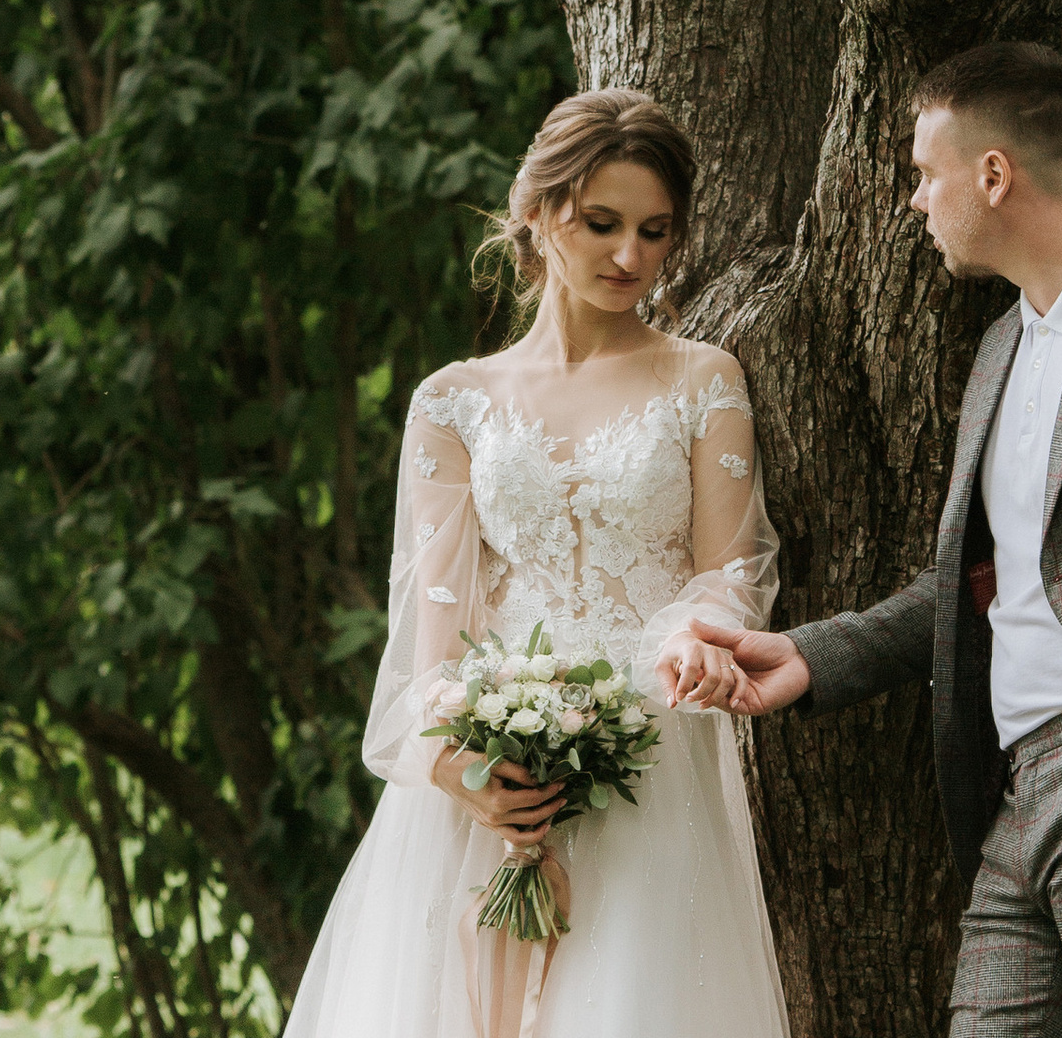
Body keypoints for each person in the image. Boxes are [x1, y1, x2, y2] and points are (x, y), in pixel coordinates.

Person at [663, 40, 1062, 1037]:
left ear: (994, 172)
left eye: (925, 175)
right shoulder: (1002, 346)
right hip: (1019, 795)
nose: (915, 201)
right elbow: (985, 582)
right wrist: (808, 654)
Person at [285, 89, 790, 1038]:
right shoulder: (454, 404)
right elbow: (430, 641)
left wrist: (690, 636)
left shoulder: (703, 379)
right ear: (537, 211)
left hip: (650, 756)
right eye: (602, 224)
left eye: (654, 230)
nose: (631, 257)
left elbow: (734, 570)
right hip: (490, 775)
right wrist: (464, 772)